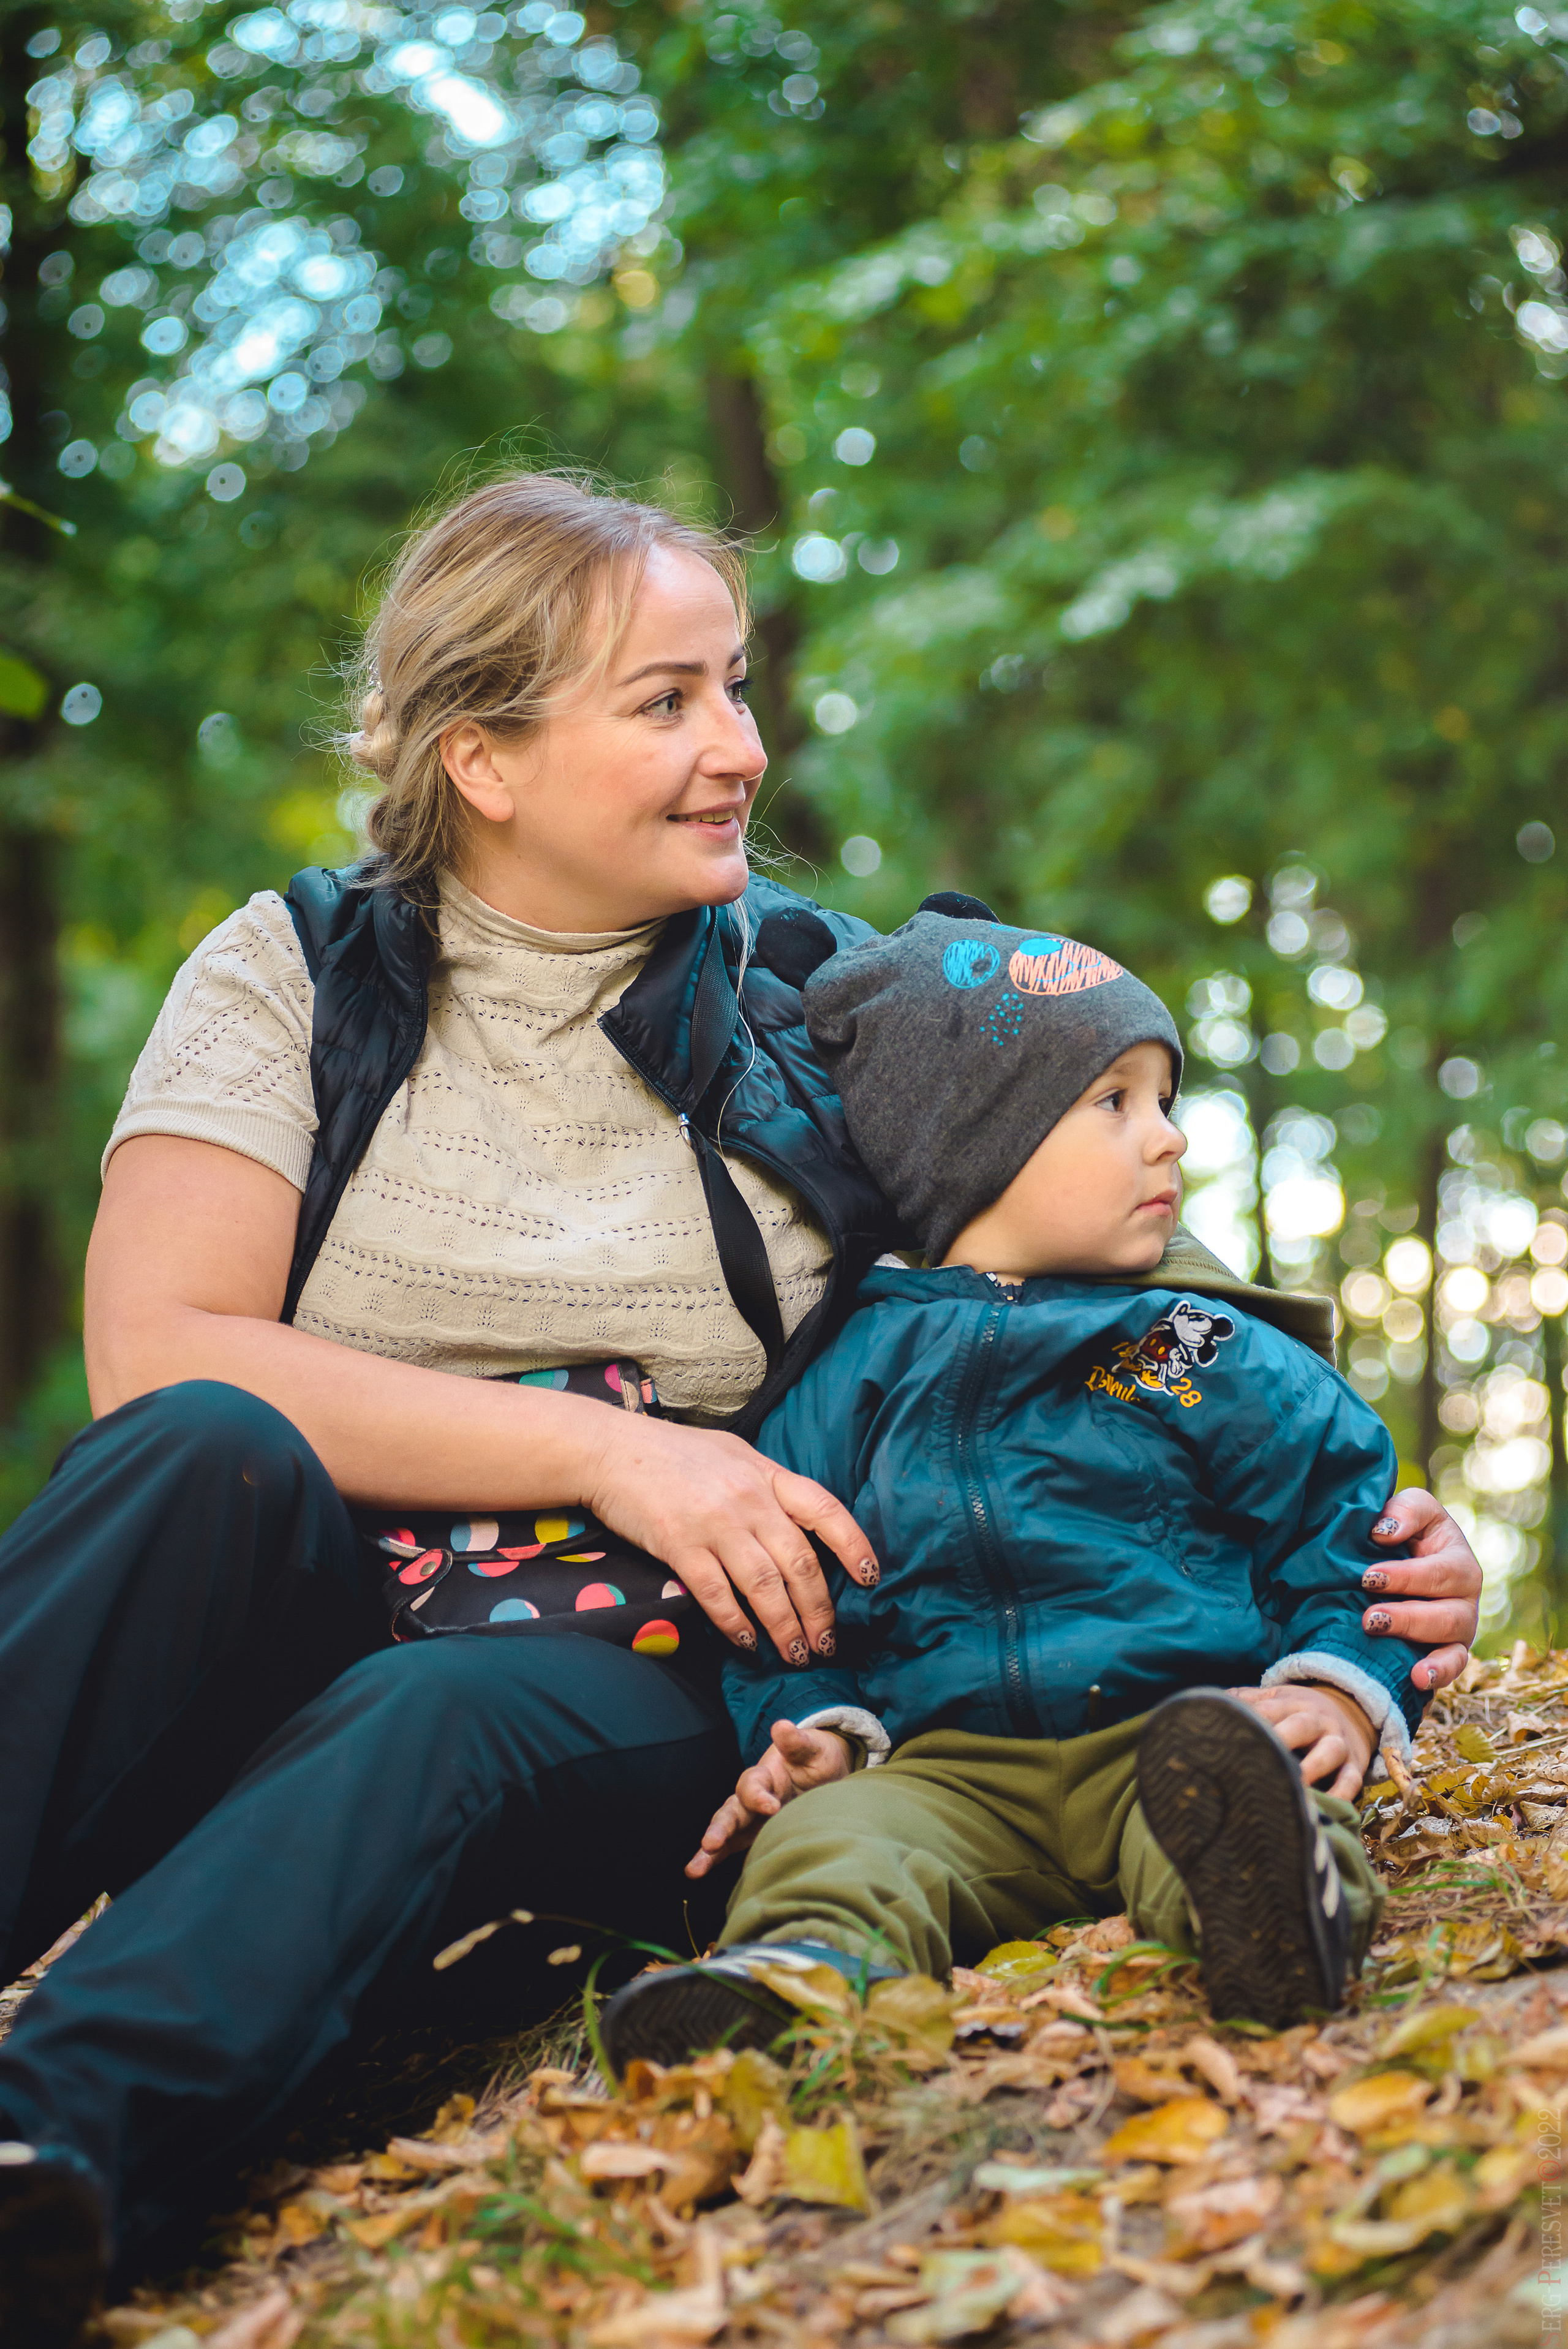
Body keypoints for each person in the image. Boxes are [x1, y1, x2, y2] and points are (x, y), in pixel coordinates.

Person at [0, 475, 1477, 2347]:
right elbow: (164, 1350)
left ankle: (48, 2147)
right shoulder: (294, 972)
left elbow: (1067, 1280)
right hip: (299, 1606)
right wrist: (620, 1445)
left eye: (737, 687)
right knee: (189, 1453)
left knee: (430, 1706)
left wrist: (1348, 1543)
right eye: (667, 700)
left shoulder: (821, 992)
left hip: (668, 1680)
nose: (740, 749)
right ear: (488, 759)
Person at [601, 914, 1433, 2069]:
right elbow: (791, 1608)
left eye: (1167, 1103)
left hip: (1173, 1736)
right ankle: (795, 1986)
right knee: (836, 1842)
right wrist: (817, 1734)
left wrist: (1341, 1687)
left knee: (1244, 1791)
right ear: (975, 1140)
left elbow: (1340, 1517)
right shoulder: (850, 1374)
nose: (1172, 1143)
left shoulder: (1183, 1339)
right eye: (1116, 1103)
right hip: (949, 1778)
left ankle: (1280, 1915)